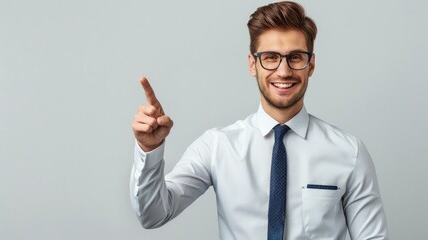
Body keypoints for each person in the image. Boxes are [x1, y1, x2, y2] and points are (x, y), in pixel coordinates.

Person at [130, 1, 389, 239]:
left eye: (296, 57)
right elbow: (153, 215)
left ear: (311, 65)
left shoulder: (349, 152)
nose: (284, 71)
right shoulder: (218, 146)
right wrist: (149, 150)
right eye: (271, 58)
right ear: (252, 65)